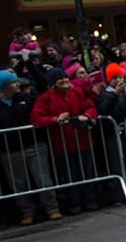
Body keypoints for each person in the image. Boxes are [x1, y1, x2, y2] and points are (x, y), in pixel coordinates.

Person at [30, 68, 99, 214]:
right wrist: (55, 119)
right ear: (54, 83)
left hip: (82, 139)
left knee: (86, 172)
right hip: (62, 144)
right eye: (61, 80)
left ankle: (90, 200)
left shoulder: (77, 92)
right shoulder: (45, 98)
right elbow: (36, 118)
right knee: (70, 175)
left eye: (66, 79)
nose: (65, 81)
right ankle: (75, 203)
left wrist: (86, 116)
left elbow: (90, 106)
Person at [0, 70, 62, 225]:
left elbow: (37, 116)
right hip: (10, 150)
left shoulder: (27, 99)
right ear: (4, 86)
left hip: (33, 144)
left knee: (42, 178)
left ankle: (52, 208)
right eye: (13, 83)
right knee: (19, 184)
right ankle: (27, 212)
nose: (17, 84)